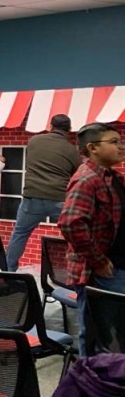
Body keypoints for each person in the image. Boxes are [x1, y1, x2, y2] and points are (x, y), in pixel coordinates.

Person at [58, 123, 125, 355]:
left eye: (121, 141)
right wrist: (98, 261)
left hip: (116, 267)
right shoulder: (87, 179)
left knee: (115, 334)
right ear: (92, 148)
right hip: (102, 271)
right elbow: (70, 223)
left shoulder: (111, 177)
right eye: (114, 142)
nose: (121, 146)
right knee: (98, 336)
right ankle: (91, 375)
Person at [6, 114, 81, 271]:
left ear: (51, 126)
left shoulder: (34, 141)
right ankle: (78, 272)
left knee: (20, 234)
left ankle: (9, 271)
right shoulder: (71, 150)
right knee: (75, 237)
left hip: (32, 198)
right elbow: (78, 173)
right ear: (69, 129)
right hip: (59, 199)